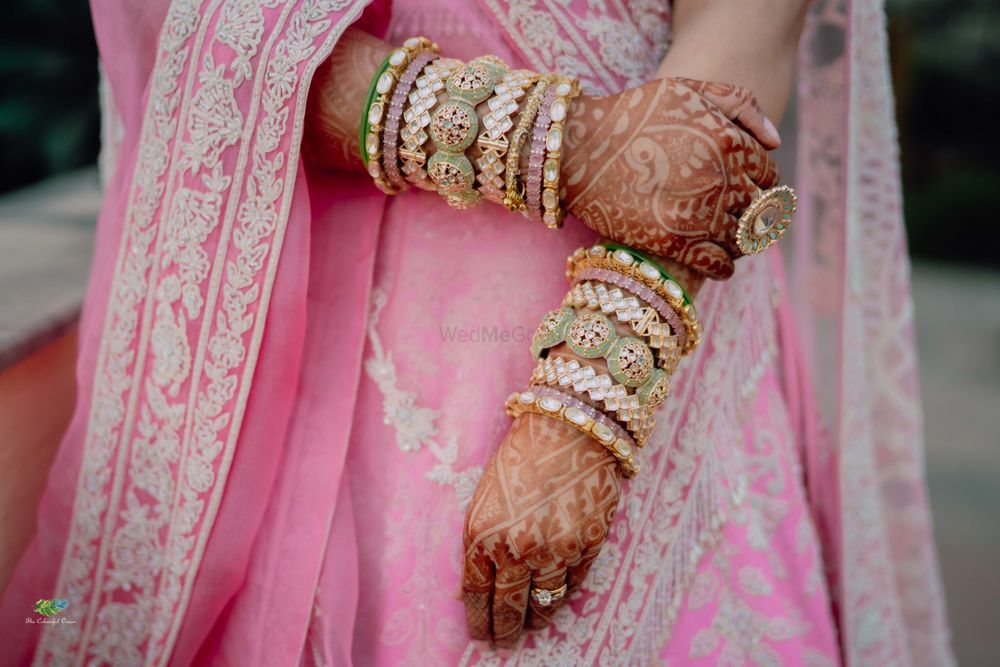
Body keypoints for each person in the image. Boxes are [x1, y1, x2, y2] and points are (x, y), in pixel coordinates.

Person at [0, 0, 953, 665]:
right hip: (319, 326)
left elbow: (749, 16)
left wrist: (594, 398)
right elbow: (194, 31)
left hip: (662, 326)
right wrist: (567, 143)